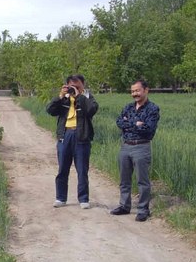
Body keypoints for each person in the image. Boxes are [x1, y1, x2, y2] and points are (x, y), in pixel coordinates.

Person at [110, 79, 160, 222]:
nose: (134, 94)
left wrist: (129, 124)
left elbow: (148, 129)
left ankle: (143, 209)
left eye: (137, 90)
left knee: (142, 181)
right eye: (132, 91)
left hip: (141, 146)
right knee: (124, 180)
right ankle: (124, 206)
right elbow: (119, 122)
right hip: (125, 146)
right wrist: (135, 123)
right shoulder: (128, 107)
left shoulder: (153, 109)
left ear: (146, 90)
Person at [45, 74, 98, 209]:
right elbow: (50, 110)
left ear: (82, 85)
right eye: (71, 85)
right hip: (65, 135)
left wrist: (79, 96)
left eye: (77, 85)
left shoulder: (87, 97)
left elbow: (91, 110)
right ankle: (60, 198)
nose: (74, 88)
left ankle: (83, 199)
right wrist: (60, 96)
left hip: (81, 136)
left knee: (82, 169)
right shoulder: (65, 98)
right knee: (63, 168)